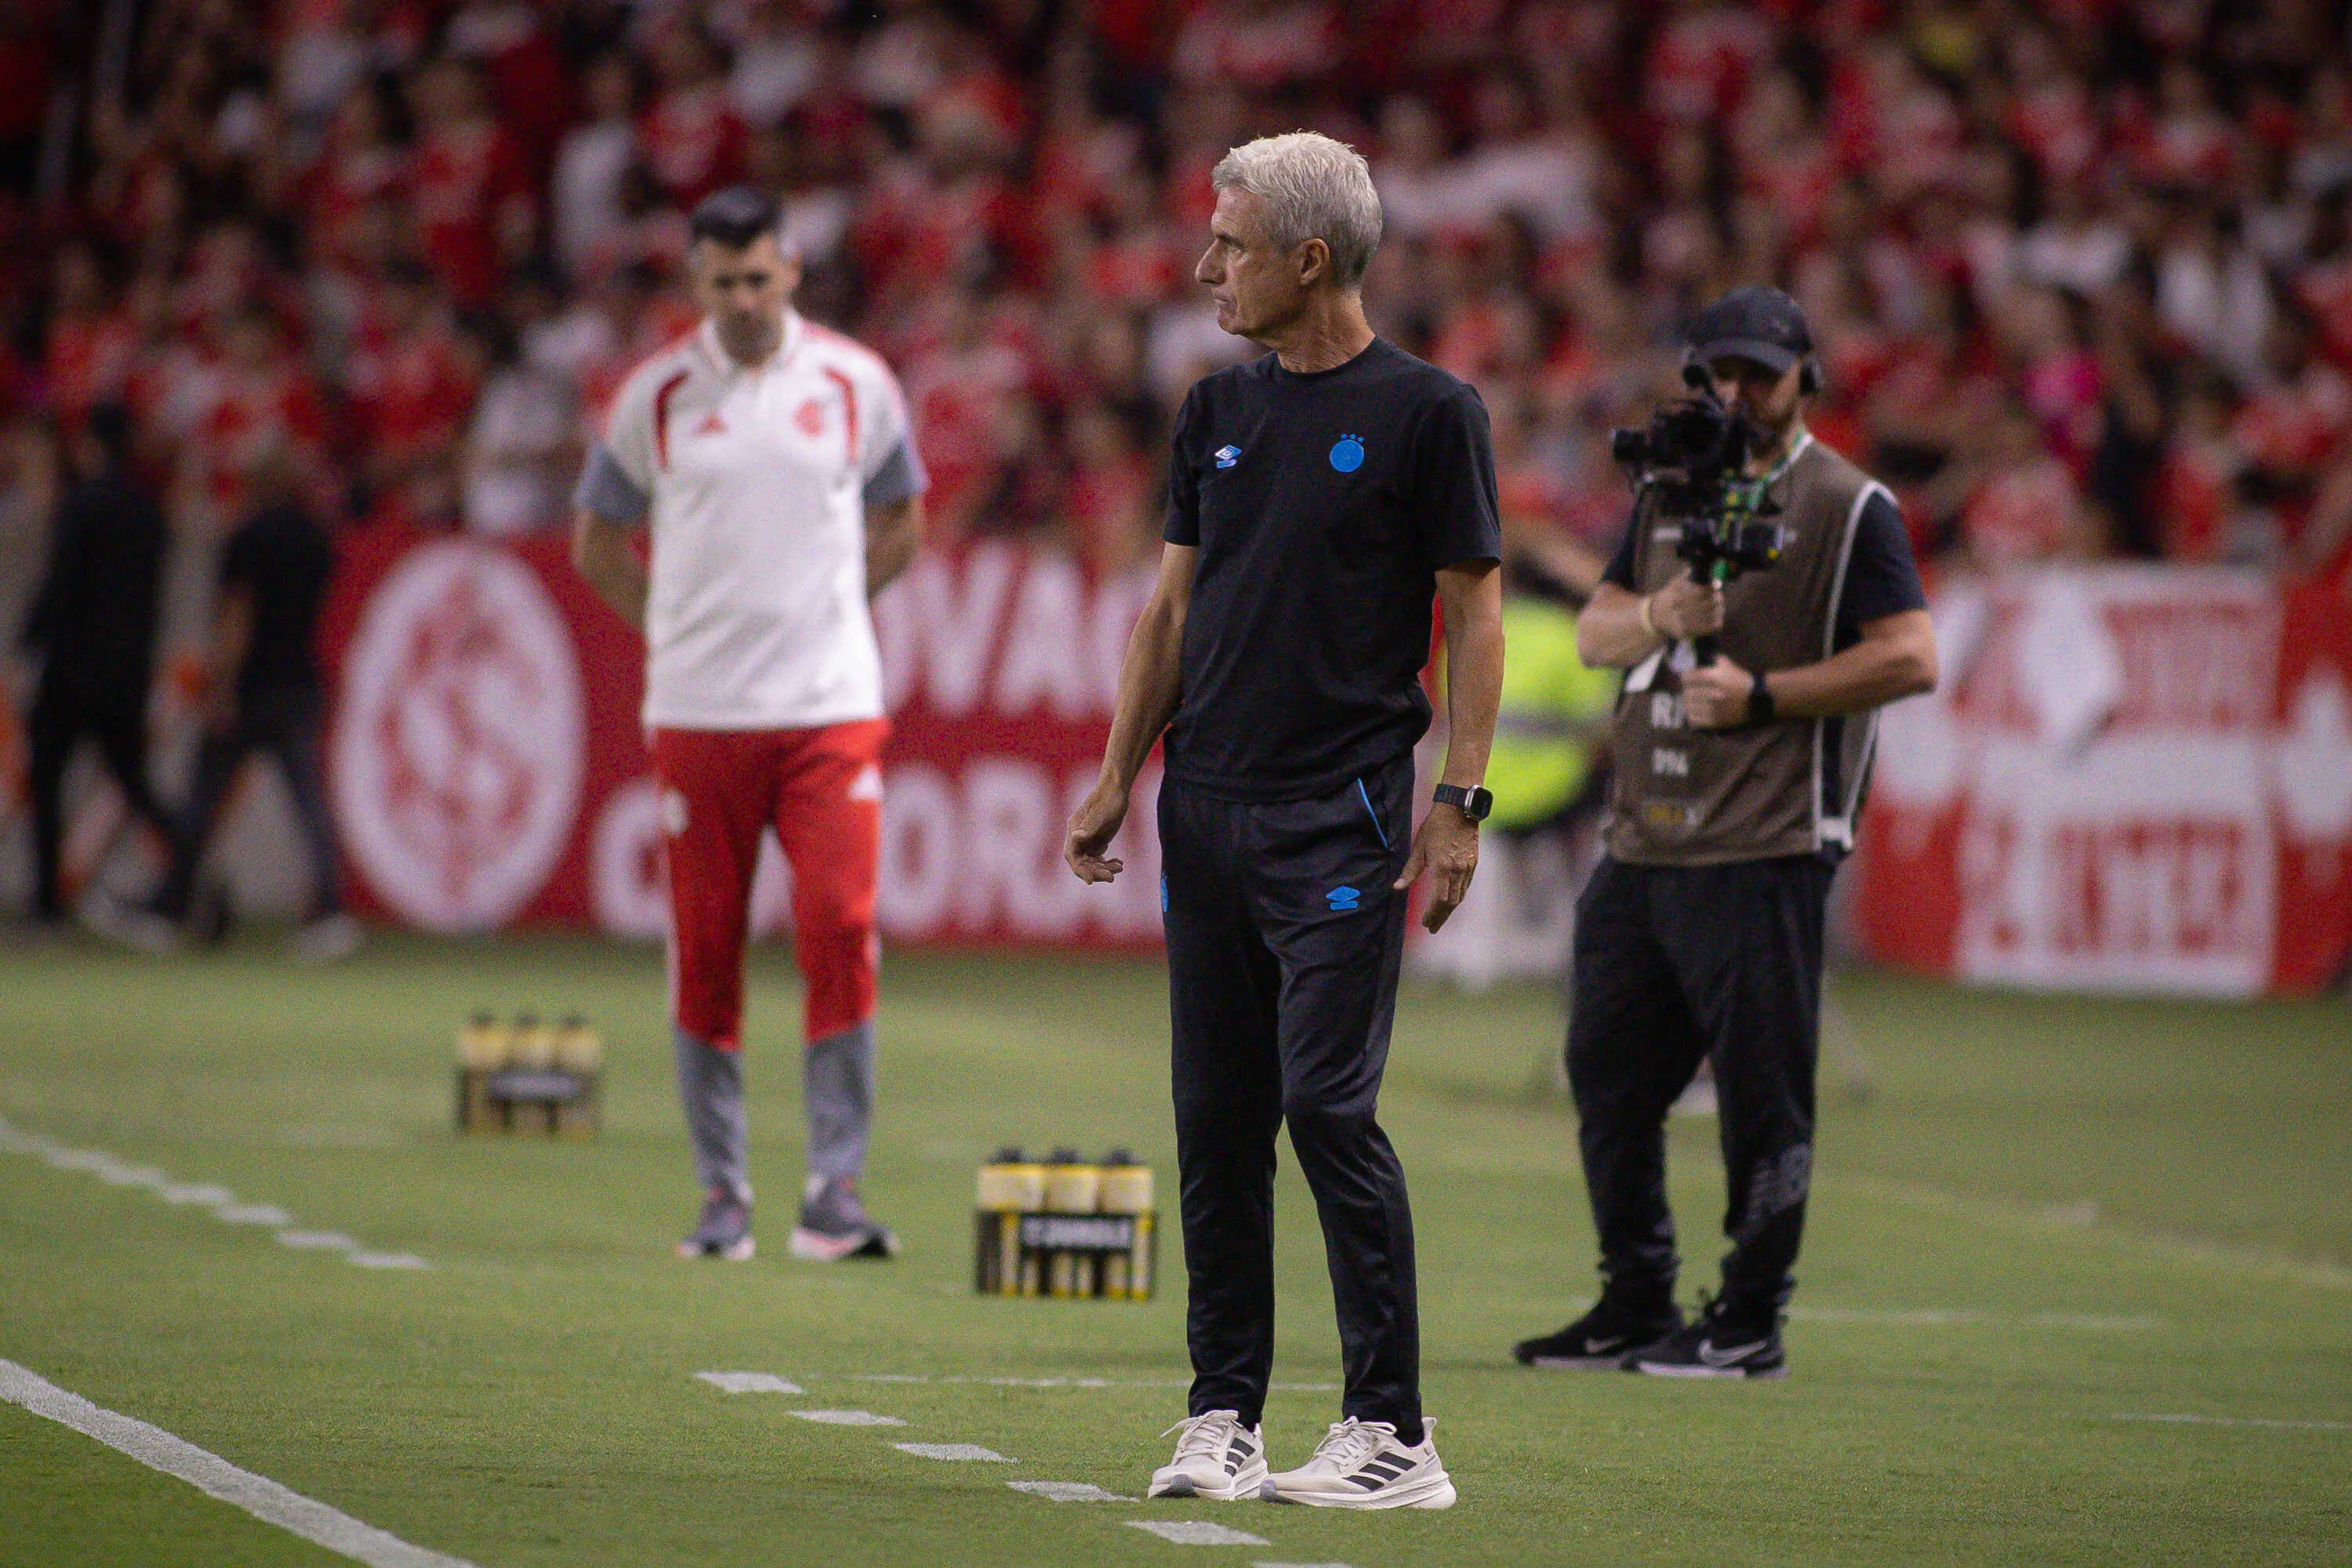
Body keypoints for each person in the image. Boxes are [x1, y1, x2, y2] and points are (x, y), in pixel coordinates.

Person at [1066, 132, 1504, 1511]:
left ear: (1308, 259)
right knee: (1217, 1121)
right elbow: (1172, 613)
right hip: (1208, 810)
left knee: (1324, 1103)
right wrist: (1114, 769)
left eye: (1231, 244)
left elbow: (1477, 614)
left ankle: (1395, 1433)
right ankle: (1223, 1417)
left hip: (1348, 813)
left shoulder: (1434, 413)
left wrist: (1460, 803)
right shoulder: (1212, 409)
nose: (1206, 267)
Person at [1510, 286, 1937, 1380]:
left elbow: (1911, 655)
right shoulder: (1670, 491)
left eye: (1760, 374)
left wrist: (1767, 696)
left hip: (1764, 841)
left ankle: (1749, 1316)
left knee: (1761, 1092)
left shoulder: (1849, 505)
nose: (1740, 395)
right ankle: (1636, 1297)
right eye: (1723, 374)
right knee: (1605, 1073)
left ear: (1807, 377)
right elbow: (1601, 627)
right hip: (1644, 838)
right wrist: (1662, 615)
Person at [572, 185, 927, 1265]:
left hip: (828, 708)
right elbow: (597, 545)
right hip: (699, 716)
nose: (741, 298)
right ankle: (723, 1195)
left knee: (836, 927)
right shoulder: (656, 397)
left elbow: (904, 519)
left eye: (757, 278)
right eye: (720, 282)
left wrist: (828, 615)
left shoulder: (857, 382)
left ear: (791, 270)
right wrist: (675, 635)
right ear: (695, 284)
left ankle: (834, 1192)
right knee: (708, 949)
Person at [148, 444, 354, 961]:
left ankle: (172, 903)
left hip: (252, 689)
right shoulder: (314, 537)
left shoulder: (248, 536)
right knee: (309, 805)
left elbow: (237, 617)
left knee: (202, 797)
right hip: (300, 682)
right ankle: (330, 909)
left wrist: (221, 688)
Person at [20, 404, 181, 929]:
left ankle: (48, 907)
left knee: (46, 783)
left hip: (71, 670)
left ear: (89, 444)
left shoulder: (80, 505)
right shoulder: (148, 511)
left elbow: (61, 584)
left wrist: (31, 645)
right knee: (132, 781)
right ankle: (190, 869)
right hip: (127, 673)